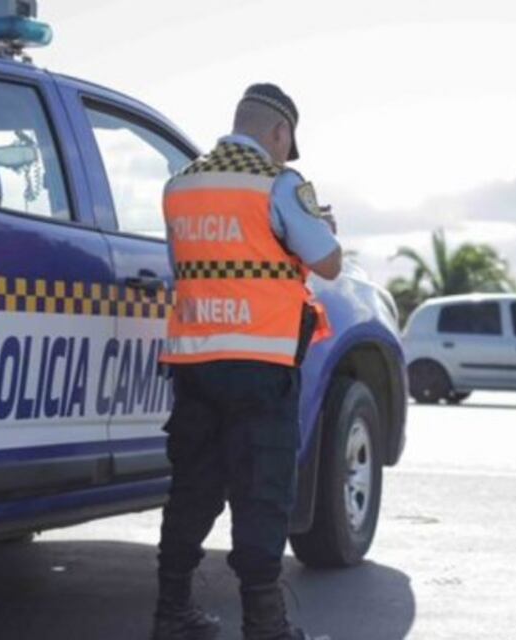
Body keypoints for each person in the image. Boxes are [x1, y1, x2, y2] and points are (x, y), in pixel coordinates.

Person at [151, 83, 342, 640]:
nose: (285, 153)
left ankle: (170, 612)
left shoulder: (179, 186)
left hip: (194, 362)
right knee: (262, 491)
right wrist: (323, 226)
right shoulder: (278, 184)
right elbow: (327, 263)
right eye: (286, 143)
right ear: (279, 132)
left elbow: (181, 264)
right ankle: (265, 625)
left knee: (192, 486)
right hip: (260, 362)